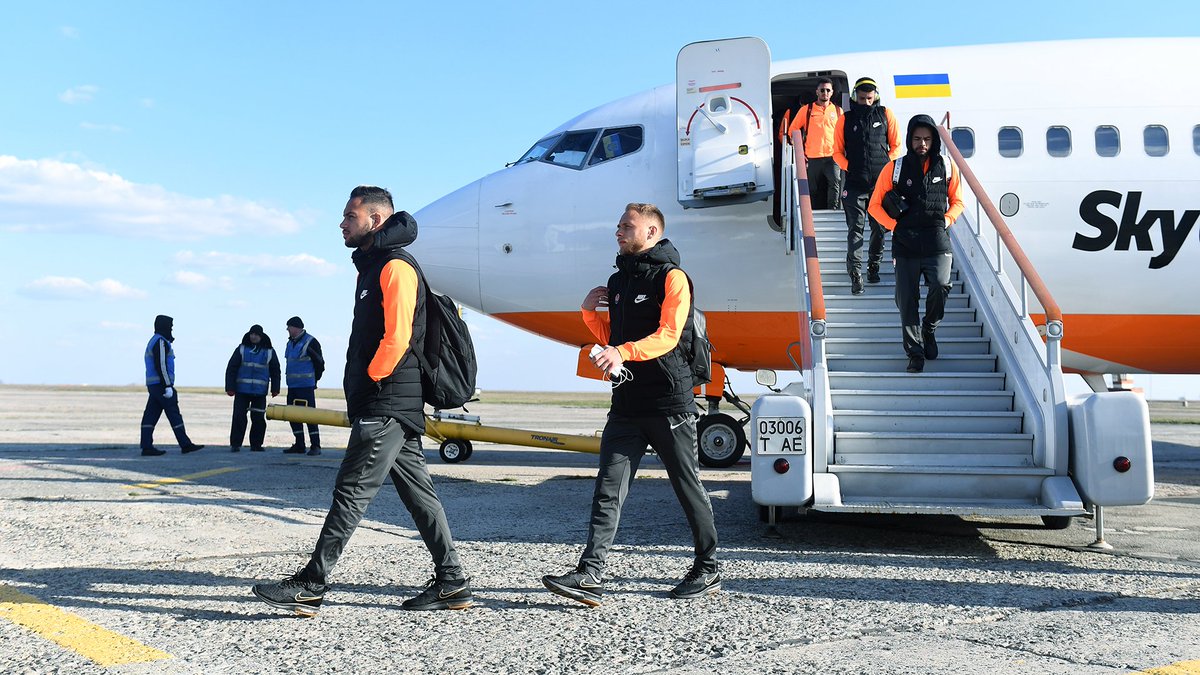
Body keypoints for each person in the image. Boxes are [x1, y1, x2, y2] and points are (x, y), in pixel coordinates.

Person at [252, 186, 472, 616]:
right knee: (419, 496)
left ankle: (312, 583)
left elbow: (398, 336)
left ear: (375, 219)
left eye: (350, 217)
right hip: (390, 401)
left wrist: (371, 380)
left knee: (350, 492)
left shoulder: (395, 267)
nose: (342, 224)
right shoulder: (370, 269)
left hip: (387, 400)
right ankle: (453, 582)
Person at [542, 202, 720, 607]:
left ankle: (707, 567)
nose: (618, 232)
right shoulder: (617, 281)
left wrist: (622, 352)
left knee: (686, 485)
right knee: (608, 487)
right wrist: (590, 312)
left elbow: (669, 335)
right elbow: (612, 334)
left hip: (668, 403)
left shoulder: (673, 278)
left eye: (627, 226)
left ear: (652, 233)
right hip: (627, 402)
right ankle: (590, 574)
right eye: (619, 225)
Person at [868, 114, 965, 374]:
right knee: (907, 299)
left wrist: (947, 219)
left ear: (934, 141)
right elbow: (874, 206)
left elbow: (958, 201)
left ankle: (929, 329)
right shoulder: (894, 168)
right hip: (906, 242)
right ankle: (915, 352)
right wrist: (895, 226)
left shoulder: (946, 166)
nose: (922, 144)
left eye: (927, 139)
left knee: (942, 285)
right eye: (917, 139)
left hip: (936, 238)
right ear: (910, 139)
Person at [833, 76, 903, 295]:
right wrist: (849, 167)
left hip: (880, 186)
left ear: (876, 97)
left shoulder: (885, 115)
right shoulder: (845, 119)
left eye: (870, 98)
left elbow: (896, 145)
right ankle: (855, 275)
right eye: (862, 98)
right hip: (854, 184)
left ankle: (874, 266)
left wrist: (886, 169)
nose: (866, 102)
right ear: (855, 97)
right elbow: (836, 152)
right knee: (855, 229)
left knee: (879, 229)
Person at [139, 315, 205, 456]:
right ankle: (185, 444)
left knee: (151, 415)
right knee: (173, 413)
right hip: (161, 385)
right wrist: (167, 385)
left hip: (154, 385)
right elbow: (161, 365)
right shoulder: (161, 342)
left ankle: (146, 446)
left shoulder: (154, 340)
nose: (171, 329)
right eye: (170, 326)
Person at [787, 77, 843, 210]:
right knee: (813, 188)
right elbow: (792, 130)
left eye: (828, 90)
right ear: (817, 92)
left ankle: (833, 210)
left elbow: (844, 134)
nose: (825, 92)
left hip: (833, 156)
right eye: (822, 90)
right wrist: (799, 152)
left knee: (835, 184)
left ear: (832, 92)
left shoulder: (838, 111)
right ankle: (813, 211)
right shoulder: (807, 110)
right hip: (813, 156)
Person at [224, 324, 281, 452]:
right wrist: (230, 387)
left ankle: (256, 445)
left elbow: (275, 370)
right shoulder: (241, 349)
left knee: (258, 419)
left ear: (261, 336)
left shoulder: (269, 352)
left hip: (259, 393)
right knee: (239, 417)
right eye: (251, 334)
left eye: (256, 334)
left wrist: (275, 388)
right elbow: (231, 368)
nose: (253, 336)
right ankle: (235, 444)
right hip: (241, 391)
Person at [282, 316, 325, 456]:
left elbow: (320, 364)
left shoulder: (310, 342)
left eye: (289, 326)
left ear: (296, 327)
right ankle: (299, 444)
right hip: (292, 387)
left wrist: (314, 381)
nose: (287, 329)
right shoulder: (290, 343)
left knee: (310, 416)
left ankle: (315, 446)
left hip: (306, 387)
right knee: (293, 416)